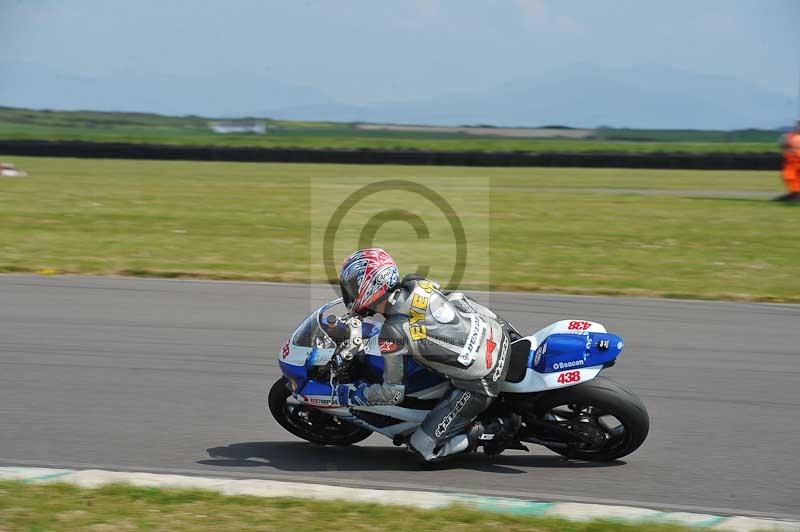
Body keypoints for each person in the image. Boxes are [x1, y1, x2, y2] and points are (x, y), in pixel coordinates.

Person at [334, 248, 520, 461]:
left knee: (422, 449)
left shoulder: (393, 332)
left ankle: (496, 426)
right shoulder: (414, 283)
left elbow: (393, 393)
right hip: (497, 331)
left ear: (370, 286)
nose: (349, 293)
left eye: (352, 287)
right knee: (456, 297)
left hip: (482, 379)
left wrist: (354, 395)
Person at [777, 122, 800, 202]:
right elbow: (782, 144)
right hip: (791, 164)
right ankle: (795, 194)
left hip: (793, 164)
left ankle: (795, 195)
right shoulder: (789, 137)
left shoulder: (790, 137)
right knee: (790, 177)